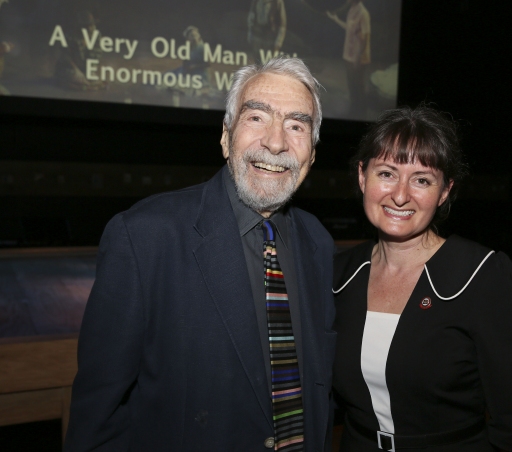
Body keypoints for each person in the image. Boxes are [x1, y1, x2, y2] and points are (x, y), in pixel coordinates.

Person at [65, 57, 336, 451]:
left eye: (296, 125)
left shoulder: (319, 243)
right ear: (226, 137)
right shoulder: (145, 237)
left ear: (311, 154)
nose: (276, 142)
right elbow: (98, 418)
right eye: (257, 117)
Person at [331, 106, 512, 451]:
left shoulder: (482, 274)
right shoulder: (339, 274)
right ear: (362, 176)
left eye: (422, 180)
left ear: (444, 192)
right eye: (387, 173)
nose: (400, 195)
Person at [327, 0, 371, 118]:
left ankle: (361, 113)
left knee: (358, 85)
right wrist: (335, 19)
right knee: (352, 84)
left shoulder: (363, 13)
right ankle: (354, 111)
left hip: (358, 57)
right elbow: (349, 28)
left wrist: (359, 58)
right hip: (349, 55)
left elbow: (365, 37)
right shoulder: (352, 10)